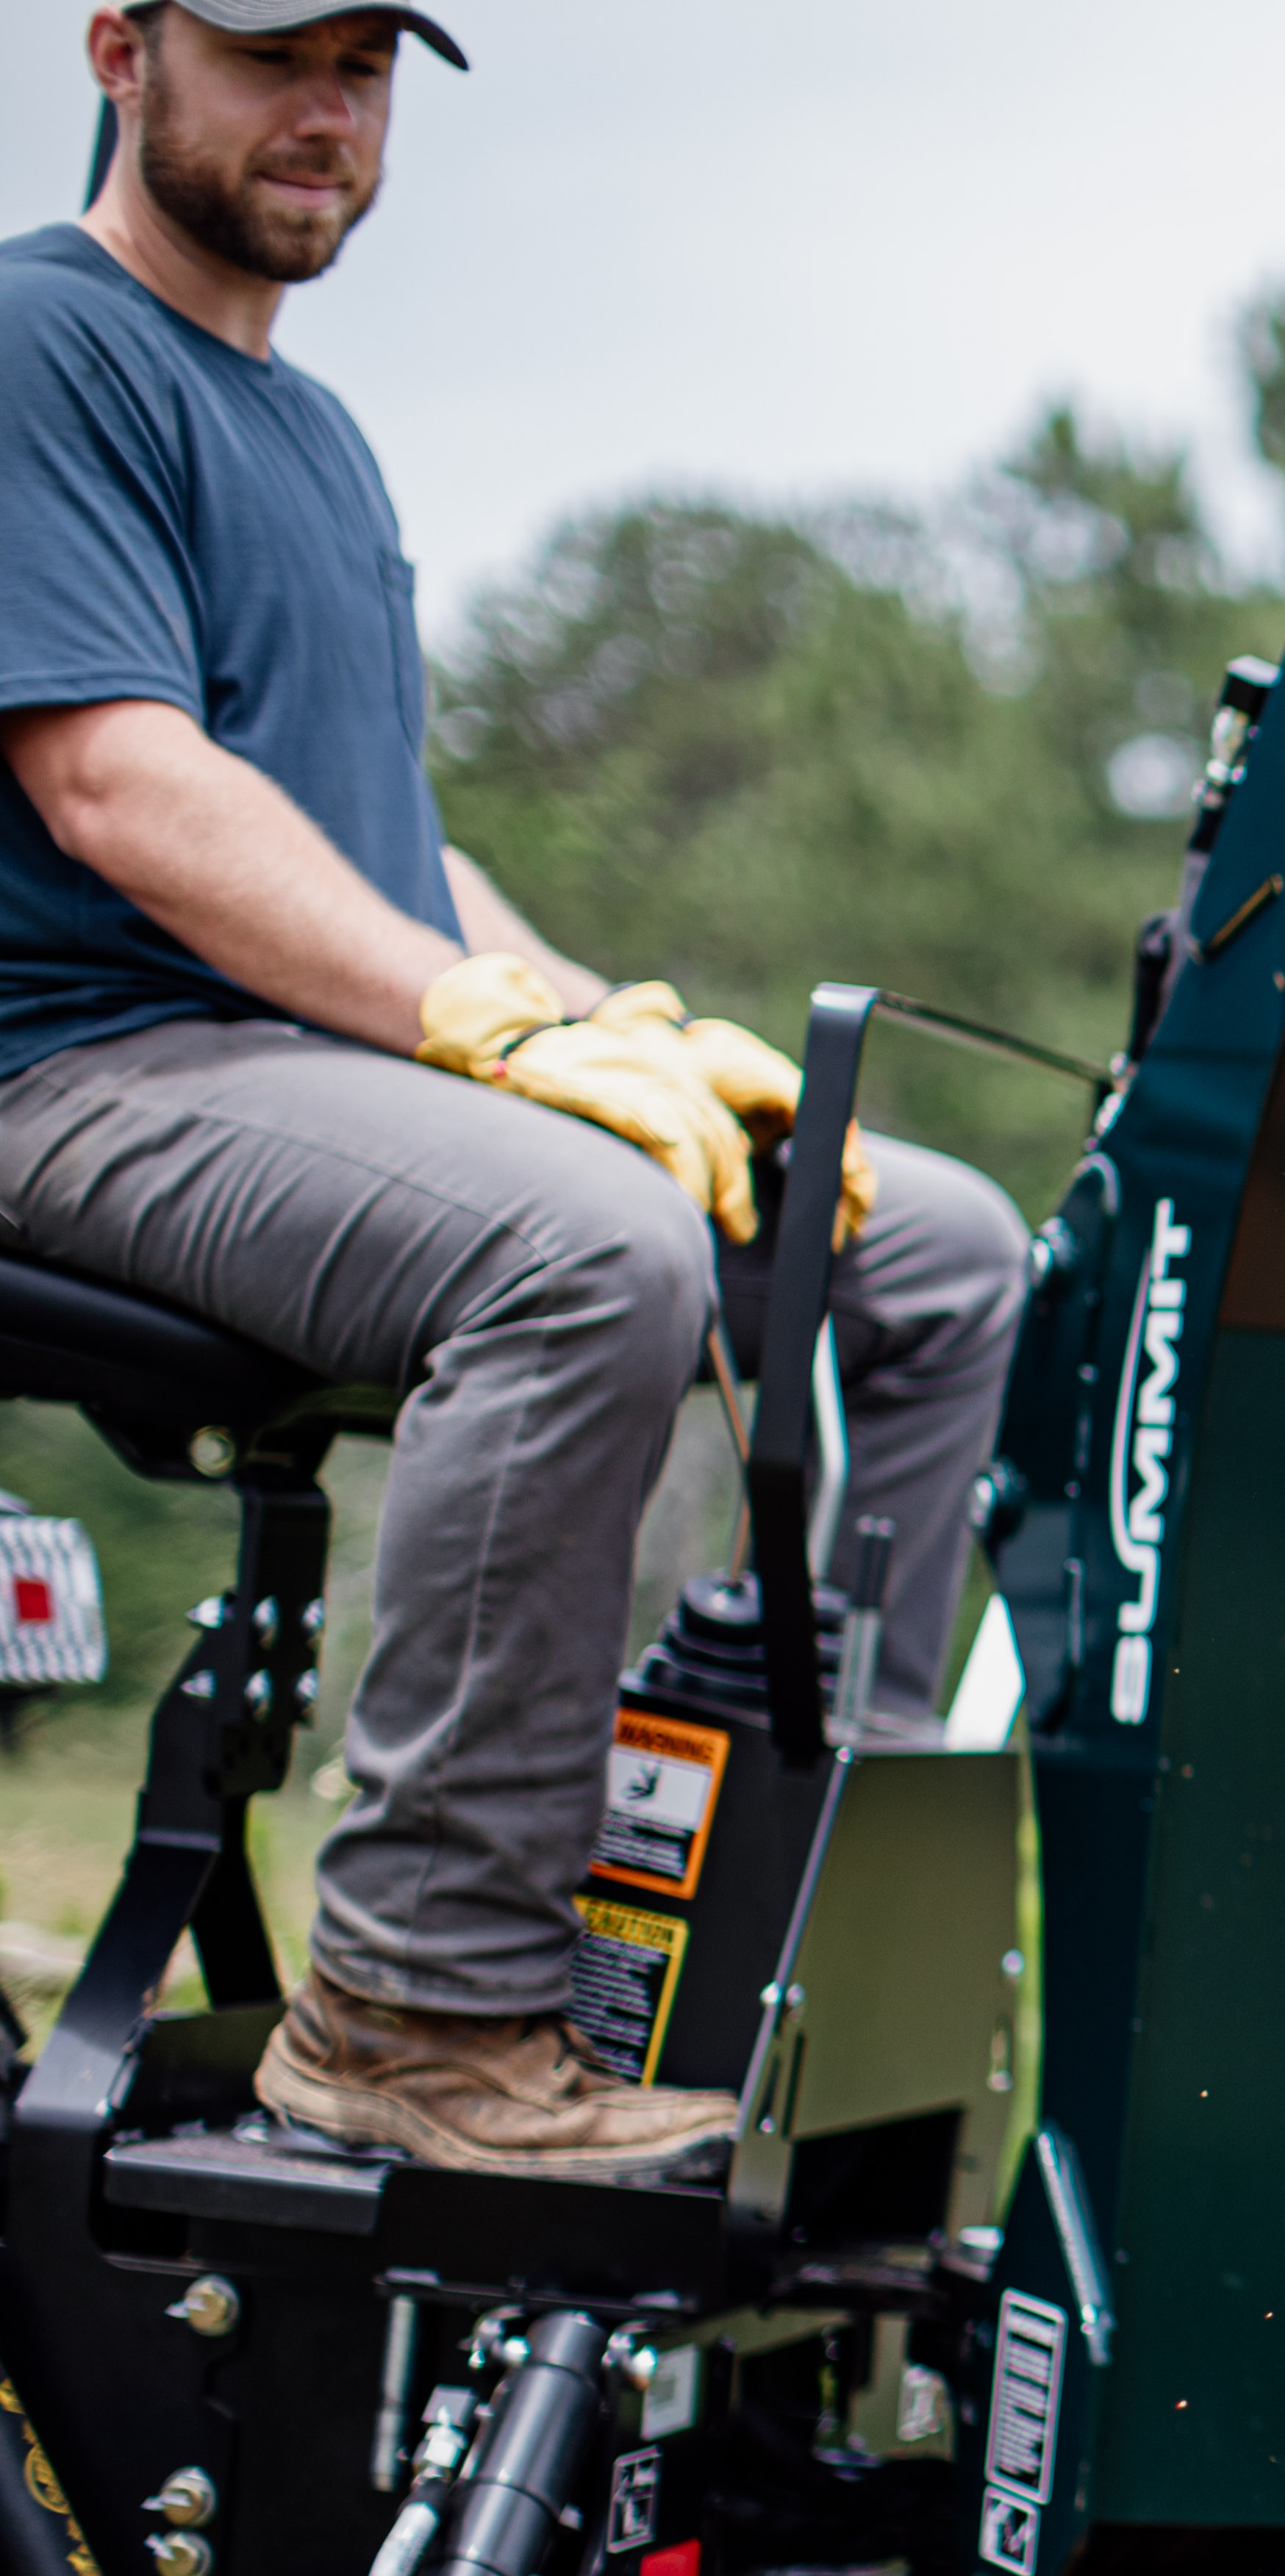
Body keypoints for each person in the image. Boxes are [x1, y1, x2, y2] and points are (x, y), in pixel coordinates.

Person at [0, 3, 1028, 2178]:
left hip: (286, 1058)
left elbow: (376, 845)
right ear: (119, 48)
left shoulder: (317, 435)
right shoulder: (42, 347)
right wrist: (492, 1045)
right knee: (592, 1247)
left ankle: (772, 1920)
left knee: (923, 1240)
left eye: (368, 68)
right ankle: (413, 2004)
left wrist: (604, 1018)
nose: (330, 113)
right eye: (278, 55)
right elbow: (119, 786)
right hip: (80, 1068)